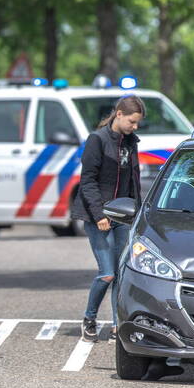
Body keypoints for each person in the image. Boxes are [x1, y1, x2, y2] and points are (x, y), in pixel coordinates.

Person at [70, 94, 144, 343]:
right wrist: (99, 214)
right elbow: (87, 181)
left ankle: (117, 324)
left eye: (137, 124)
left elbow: (134, 181)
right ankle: (89, 318)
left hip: (122, 217)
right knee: (108, 273)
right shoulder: (97, 140)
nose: (135, 127)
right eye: (132, 122)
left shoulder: (131, 142)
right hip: (98, 216)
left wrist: (138, 213)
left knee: (122, 273)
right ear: (119, 114)